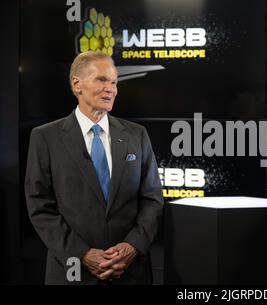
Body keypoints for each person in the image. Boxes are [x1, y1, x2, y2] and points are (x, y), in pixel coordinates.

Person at [24, 51, 163, 284]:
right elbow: (40, 205)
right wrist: (82, 254)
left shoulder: (137, 135)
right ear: (77, 84)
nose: (111, 88)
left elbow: (152, 199)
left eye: (114, 82)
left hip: (130, 271)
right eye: (101, 79)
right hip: (72, 271)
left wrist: (132, 246)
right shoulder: (45, 138)